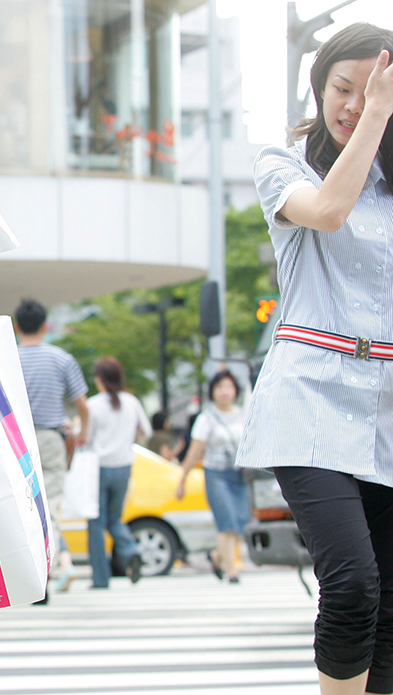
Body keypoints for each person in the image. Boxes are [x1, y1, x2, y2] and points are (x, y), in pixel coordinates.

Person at [237, 23, 393, 695]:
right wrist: (379, 114)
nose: (353, 104)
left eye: (370, 92)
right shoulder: (284, 162)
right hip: (308, 399)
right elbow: (330, 211)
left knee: (388, 599)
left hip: (384, 405)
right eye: (342, 88)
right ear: (318, 85)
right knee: (353, 580)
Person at [13, 298, 89, 598]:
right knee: (51, 504)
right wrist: (82, 434)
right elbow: (83, 406)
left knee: (24, 507)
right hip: (51, 438)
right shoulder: (62, 359)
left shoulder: (8, 358)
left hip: (17, 441)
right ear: (46, 325)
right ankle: (58, 564)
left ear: (17, 326)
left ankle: (40, 579)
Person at [175, 370, 249, 584]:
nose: (224, 392)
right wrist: (182, 480)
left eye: (228, 387)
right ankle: (232, 570)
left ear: (235, 390)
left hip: (240, 475)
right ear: (212, 392)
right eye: (219, 387)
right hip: (216, 475)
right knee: (226, 522)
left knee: (240, 523)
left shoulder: (244, 414)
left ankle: (217, 556)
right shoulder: (206, 418)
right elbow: (194, 451)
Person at [85, 357, 150, 589]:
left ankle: (101, 578)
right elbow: (146, 430)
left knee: (95, 522)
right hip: (124, 466)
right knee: (115, 519)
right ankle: (131, 550)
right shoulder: (131, 401)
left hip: (99, 468)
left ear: (100, 380)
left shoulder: (93, 405)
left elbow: (86, 438)